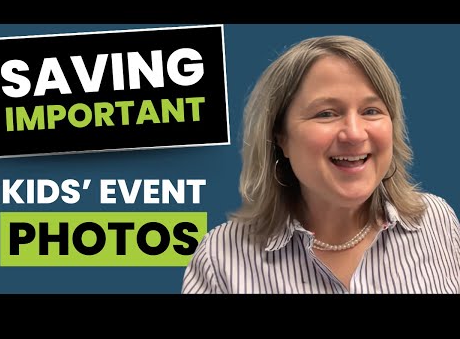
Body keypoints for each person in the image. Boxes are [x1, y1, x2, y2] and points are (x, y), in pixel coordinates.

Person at [181, 35, 460, 294]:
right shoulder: (219, 259)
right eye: (326, 113)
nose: (354, 133)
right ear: (281, 137)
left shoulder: (437, 222)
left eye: (371, 111)